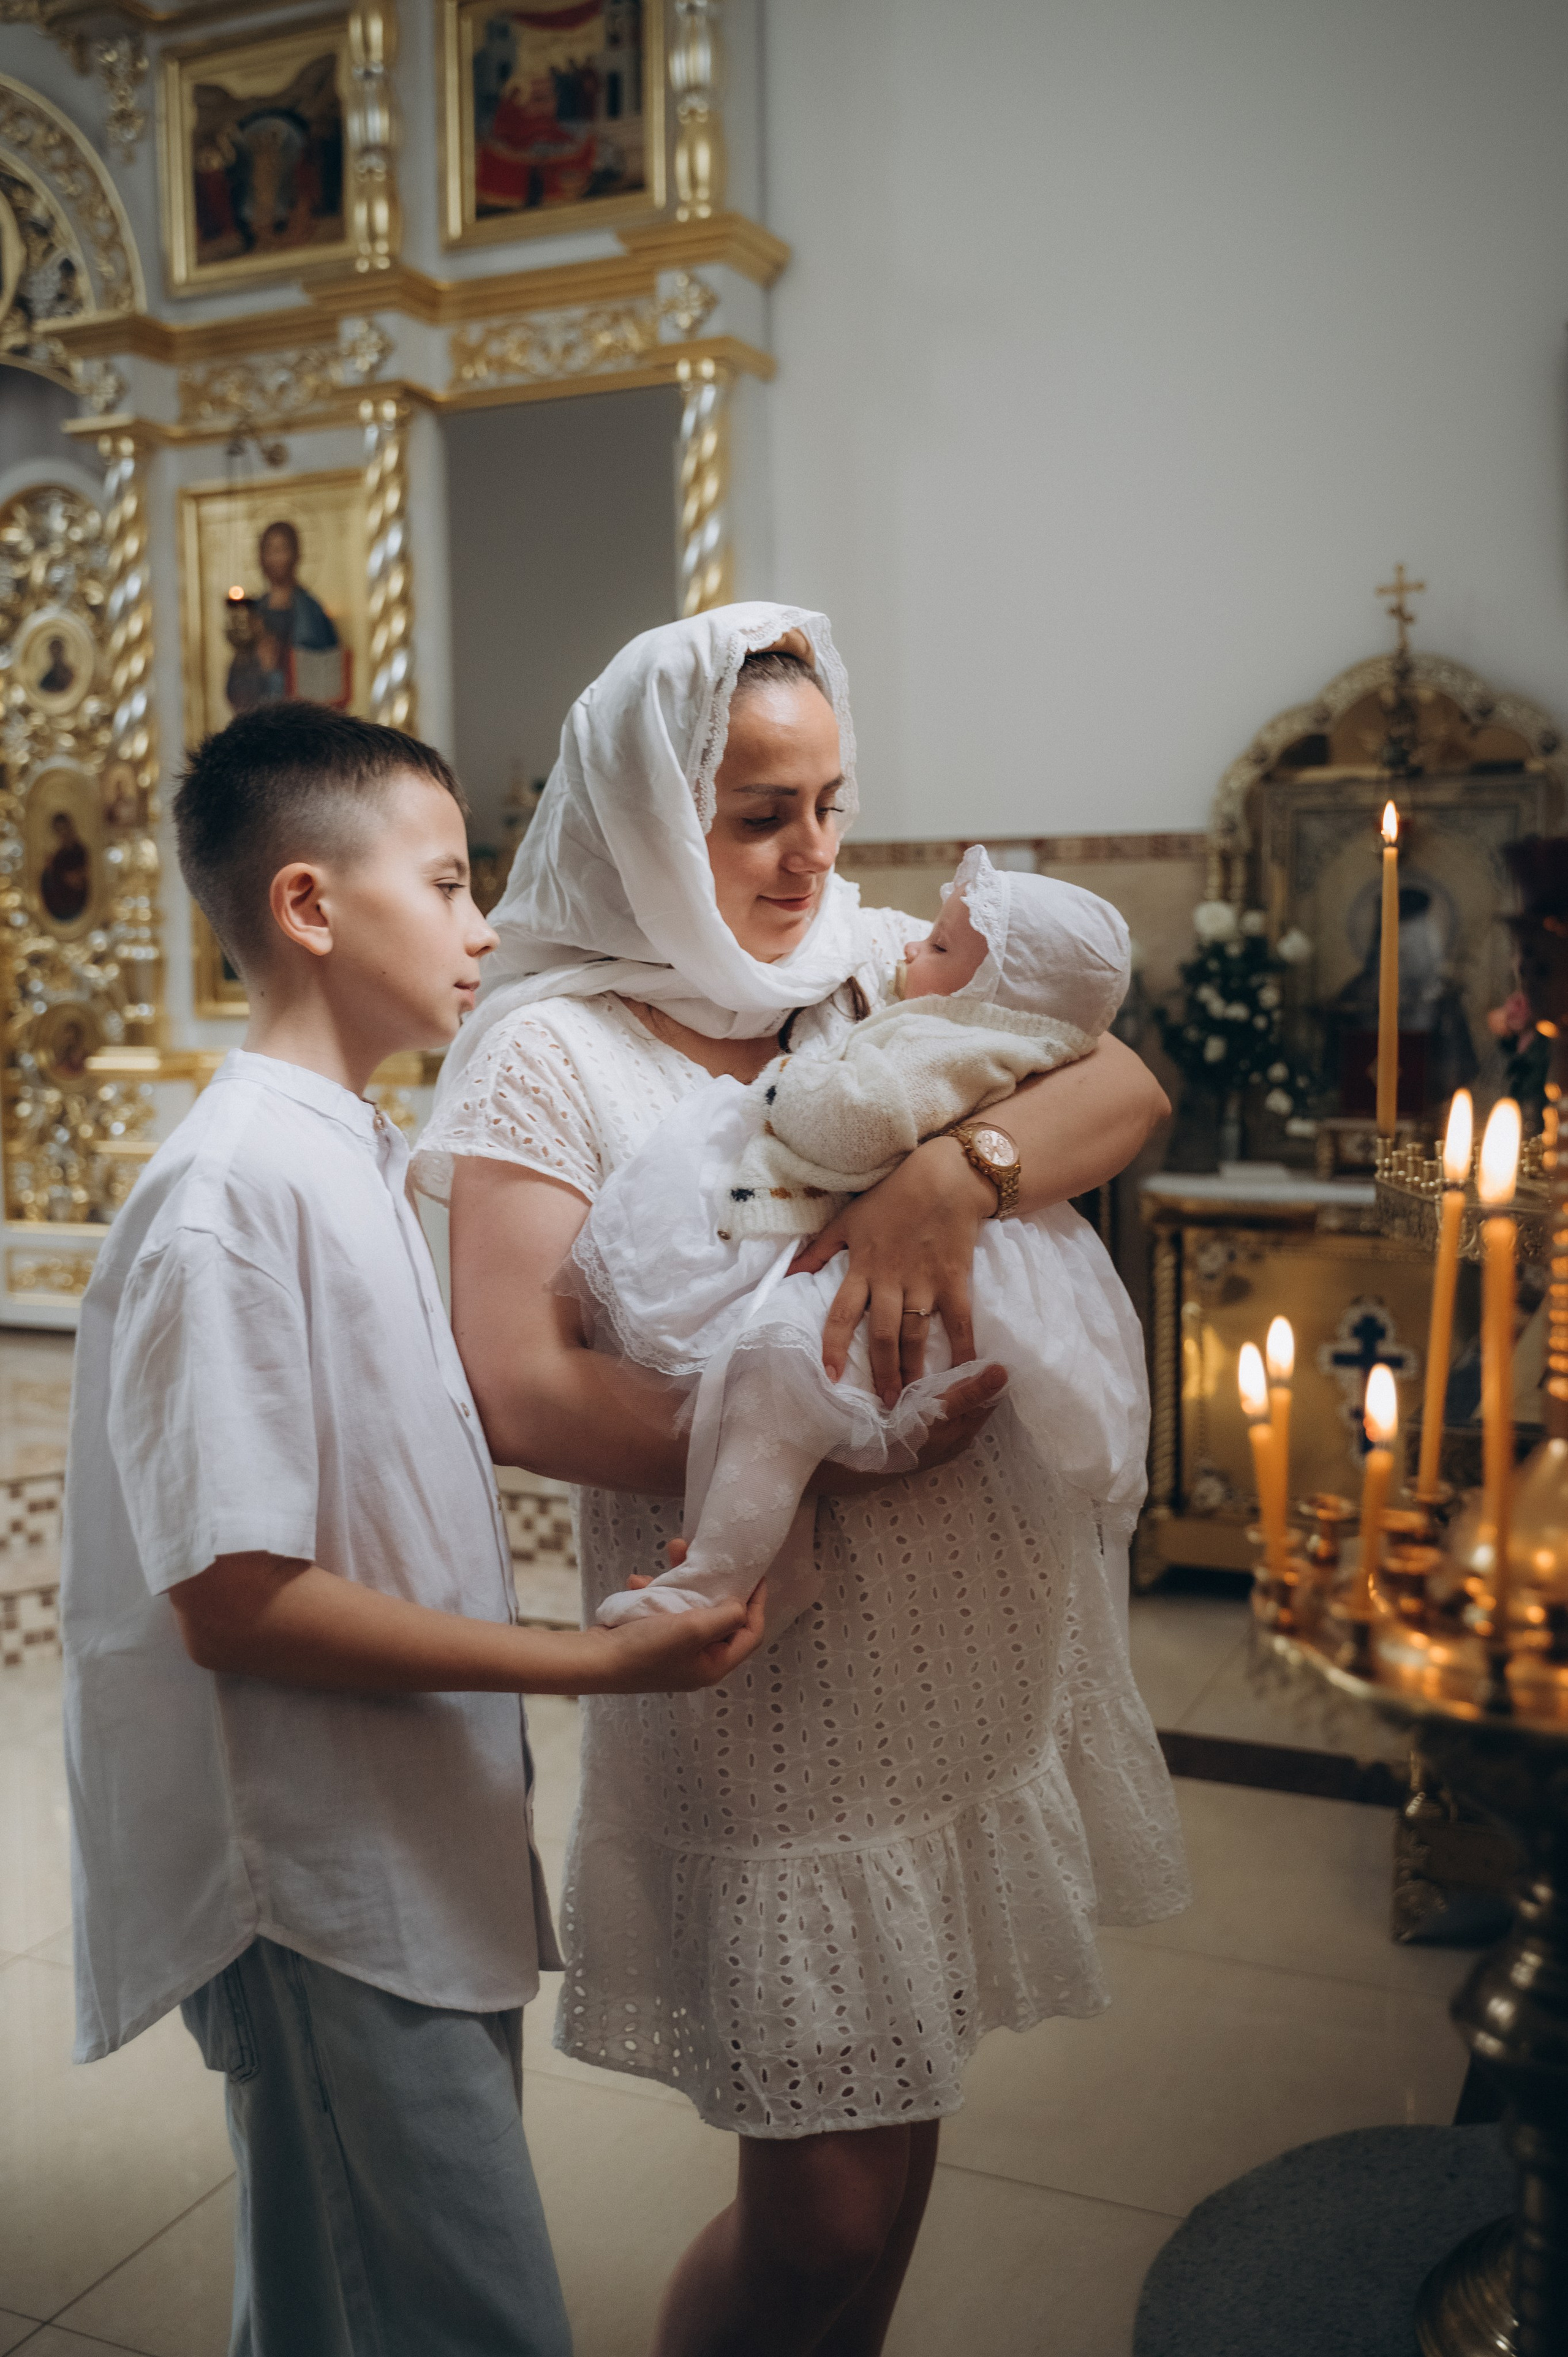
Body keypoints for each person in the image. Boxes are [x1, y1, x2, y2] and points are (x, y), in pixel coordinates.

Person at [417, 606, 1187, 2357]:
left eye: (831, 803)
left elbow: (1122, 1082)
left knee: (897, 2146)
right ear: (642, 809)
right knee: (824, 2206)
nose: (811, 855)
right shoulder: (550, 1049)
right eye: (759, 811)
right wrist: (830, 1448)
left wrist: (956, 1182)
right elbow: (524, 1385)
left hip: (964, 1634)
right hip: (770, 1652)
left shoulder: (869, 961)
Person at [61, 701, 767, 2357]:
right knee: (456, 2320)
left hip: (401, 1844)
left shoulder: (350, 1156)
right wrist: (592, 1665)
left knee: (337, 2310)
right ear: (309, 905)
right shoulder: (233, 1193)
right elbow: (235, 1599)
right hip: (320, 1879)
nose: (487, 927)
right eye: (450, 884)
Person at [577, 842, 1149, 1634]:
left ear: (998, 991)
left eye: (942, 947)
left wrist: (788, 1081)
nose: (912, 946)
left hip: (930, 1274)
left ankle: (711, 1582)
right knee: (786, 1399)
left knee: (777, 1375)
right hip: (956, 1270)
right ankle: (771, 1561)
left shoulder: (955, 1036)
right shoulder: (1006, 1030)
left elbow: (857, 1124)